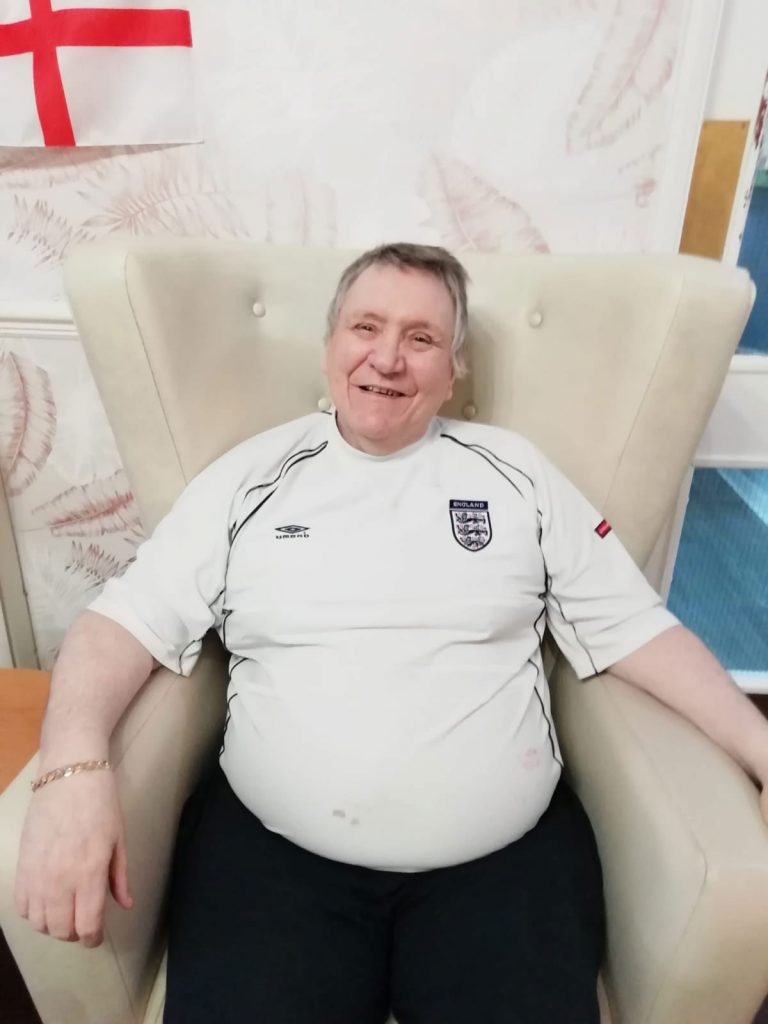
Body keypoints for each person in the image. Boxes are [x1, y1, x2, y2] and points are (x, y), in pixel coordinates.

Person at [14, 243, 768, 1024]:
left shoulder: (517, 474)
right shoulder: (249, 477)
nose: (387, 358)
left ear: (455, 367)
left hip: (504, 870)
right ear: (330, 345)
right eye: (365, 327)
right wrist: (72, 767)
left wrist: (761, 748)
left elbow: (634, 627)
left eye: (421, 337)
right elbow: (119, 625)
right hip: (273, 863)